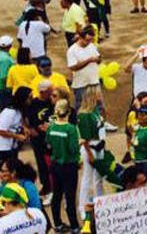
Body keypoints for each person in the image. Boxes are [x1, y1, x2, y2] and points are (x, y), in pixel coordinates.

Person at [46, 98, 80, 233]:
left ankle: (58, 224)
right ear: (69, 111)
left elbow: (48, 145)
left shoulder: (52, 127)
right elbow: (73, 149)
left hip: (55, 165)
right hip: (69, 166)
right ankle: (75, 226)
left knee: (57, 195)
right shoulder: (70, 129)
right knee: (70, 197)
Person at [0, 88, 29, 163]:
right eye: (29, 97)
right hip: (3, 148)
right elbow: (1, 131)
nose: (30, 100)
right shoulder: (9, 112)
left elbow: (19, 121)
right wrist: (17, 136)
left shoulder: (18, 110)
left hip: (12, 146)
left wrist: (24, 128)